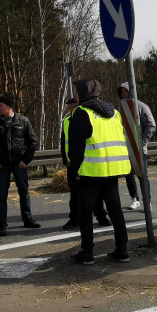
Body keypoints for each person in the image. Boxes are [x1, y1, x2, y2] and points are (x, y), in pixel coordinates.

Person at [66, 79, 131, 265]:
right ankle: (122, 250)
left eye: (76, 92)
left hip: (91, 171)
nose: (75, 95)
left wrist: (76, 170)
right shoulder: (114, 112)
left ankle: (87, 253)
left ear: (82, 93)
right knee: (116, 211)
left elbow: (77, 148)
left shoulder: (81, 113)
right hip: (112, 170)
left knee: (86, 212)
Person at [0, 92, 40, 235]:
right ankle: (2, 225)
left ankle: (28, 219)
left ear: (9, 106)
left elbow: (32, 142)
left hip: (19, 164)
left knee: (24, 193)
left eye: (0, 106)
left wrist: (25, 160)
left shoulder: (23, 121)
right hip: (2, 165)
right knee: (1, 196)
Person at [61, 94, 112, 231]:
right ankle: (74, 219)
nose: (71, 109)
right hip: (72, 163)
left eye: (73, 106)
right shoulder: (66, 121)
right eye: (69, 107)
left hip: (87, 161)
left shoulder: (83, 117)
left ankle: (101, 216)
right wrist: (65, 160)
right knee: (75, 194)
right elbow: (63, 142)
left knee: (97, 193)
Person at [117, 82, 156, 211]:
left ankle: (147, 201)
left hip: (140, 150)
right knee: (128, 175)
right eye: (122, 91)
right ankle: (135, 198)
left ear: (131, 91)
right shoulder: (120, 109)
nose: (124, 94)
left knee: (142, 175)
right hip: (125, 149)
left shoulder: (142, 107)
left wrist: (142, 143)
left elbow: (151, 125)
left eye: (126, 91)